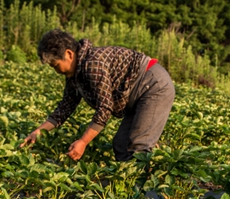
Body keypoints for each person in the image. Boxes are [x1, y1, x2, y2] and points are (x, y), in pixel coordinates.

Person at [21, 29, 175, 162]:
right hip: (139, 93)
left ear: (69, 54)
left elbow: (105, 107)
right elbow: (65, 107)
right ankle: (132, 189)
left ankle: (147, 192)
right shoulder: (74, 75)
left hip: (153, 86)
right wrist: (38, 132)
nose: (56, 70)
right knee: (121, 144)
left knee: (139, 146)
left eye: (55, 65)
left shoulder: (92, 63)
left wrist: (83, 141)